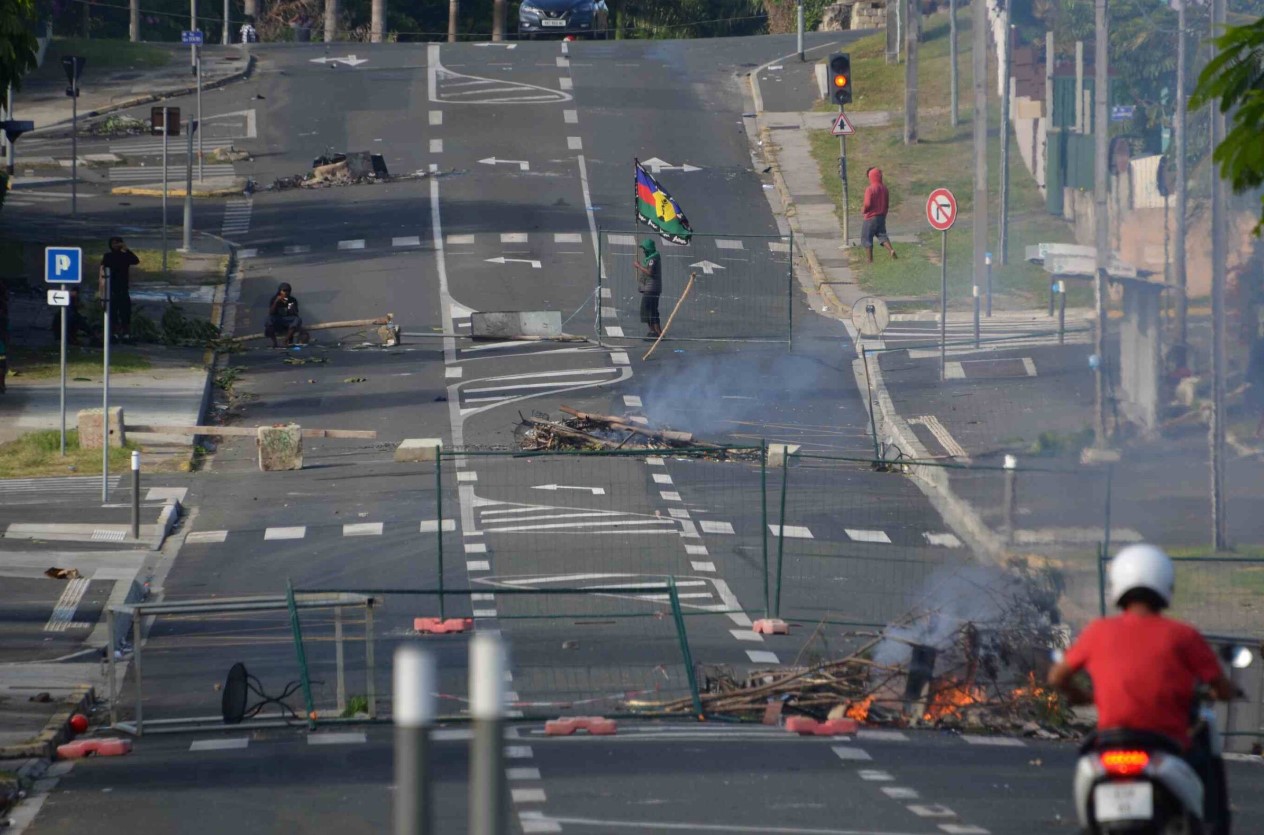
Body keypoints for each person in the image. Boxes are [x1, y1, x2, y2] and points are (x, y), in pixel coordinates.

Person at [1048, 543, 1239, 831]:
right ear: (1166, 586)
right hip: (1166, 744)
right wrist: (1222, 692)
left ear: (1117, 587)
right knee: (1208, 771)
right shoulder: (1182, 635)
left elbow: (1057, 677)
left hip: (1111, 742)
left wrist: (1082, 696)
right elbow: (1220, 685)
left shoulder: (1098, 631)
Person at [99, 237, 140, 342]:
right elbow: (102, 270)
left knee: (125, 312)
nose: (116, 245)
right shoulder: (108, 256)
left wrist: (126, 249)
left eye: (118, 243)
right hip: (111, 289)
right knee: (113, 313)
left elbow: (136, 261)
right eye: (114, 243)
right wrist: (102, 290)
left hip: (123, 288)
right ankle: (114, 333)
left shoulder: (125, 256)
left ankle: (125, 333)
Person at [861, 167, 897, 263]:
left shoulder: (870, 189)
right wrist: (884, 215)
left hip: (870, 217)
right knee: (882, 236)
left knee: (867, 238)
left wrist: (864, 210)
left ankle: (870, 260)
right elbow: (886, 204)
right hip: (881, 217)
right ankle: (891, 250)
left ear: (871, 177)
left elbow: (867, 203)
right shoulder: (885, 189)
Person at [634, 238, 663, 338]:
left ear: (649, 249)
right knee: (650, 310)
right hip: (649, 288)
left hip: (652, 289)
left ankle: (656, 332)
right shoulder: (651, 258)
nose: (643, 251)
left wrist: (638, 266)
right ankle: (656, 332)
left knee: (649, 310)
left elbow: (650, 272)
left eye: (645, 249)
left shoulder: (653, 259)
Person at [267, 282, 302, 348]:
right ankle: (274, 342)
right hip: (277, 319)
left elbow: (294, 314)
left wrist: (290, 306)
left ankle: (285, 340)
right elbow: (271, 313)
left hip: (287, 320)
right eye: (284, 291)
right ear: (280, 291)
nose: (286, 293)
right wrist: (276, 302)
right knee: (268, 320)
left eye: (288, 291)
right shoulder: (274, 299)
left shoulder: (292, 300)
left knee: (297, 320)